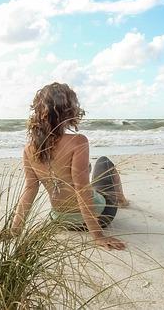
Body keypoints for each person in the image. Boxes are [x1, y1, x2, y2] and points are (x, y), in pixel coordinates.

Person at [11, 82, 128, 250]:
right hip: (99, 216)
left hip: (60, 219)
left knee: (92, 180)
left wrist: (15, 230)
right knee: (104, 163)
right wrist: (97, 236)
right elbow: (81, 189)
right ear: (69, 111)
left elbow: (30, 190)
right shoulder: (78, 141)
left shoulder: (29, 149)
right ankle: (122, 200)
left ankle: (121, 200)